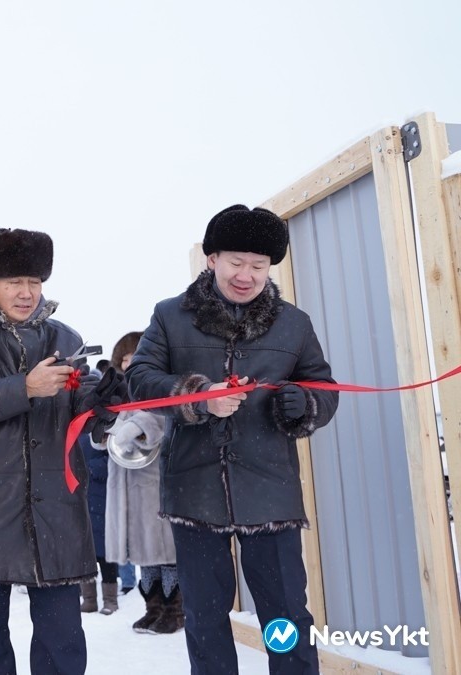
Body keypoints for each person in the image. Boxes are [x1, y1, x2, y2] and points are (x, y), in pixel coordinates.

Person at [126, 204, 338, 674]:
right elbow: (139, 380)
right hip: (194, 491)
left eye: (258, 266)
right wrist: (197, 396)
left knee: (284, 618)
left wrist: (304, 405)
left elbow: (324, 390)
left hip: (270, 494)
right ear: (212, 258)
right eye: (235, 262)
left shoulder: (294, 324)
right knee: (205, 617)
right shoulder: (170, 317)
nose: (246, 275)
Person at [0, 228, 126, 675]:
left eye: (35, 282)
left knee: (63, 641)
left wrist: (106, 403)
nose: (26, 293)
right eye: (14, 282)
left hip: (54, 504)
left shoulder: (66, 337)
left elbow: (83, 412)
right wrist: (25, 387)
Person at [95, 332, 184, 634]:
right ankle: (152, 608)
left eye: (134, 356)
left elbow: (160, 420)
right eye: (124, 358)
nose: (128, 362)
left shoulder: (159, 386)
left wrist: (132, 427)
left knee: (164, 548)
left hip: (154, 481)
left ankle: (175, 610)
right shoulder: (119, 392)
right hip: (125, 483)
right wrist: (104, 428)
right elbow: (105, 431)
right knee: (143, 553)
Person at [78, 432, 118, 615]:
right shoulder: (75, 432)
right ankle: (89, 599)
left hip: (102, 499)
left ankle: (110, 600)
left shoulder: (104, 431)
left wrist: (88, 468)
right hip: (80, 498)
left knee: (105, 553)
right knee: (85, 553)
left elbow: (114, 459)